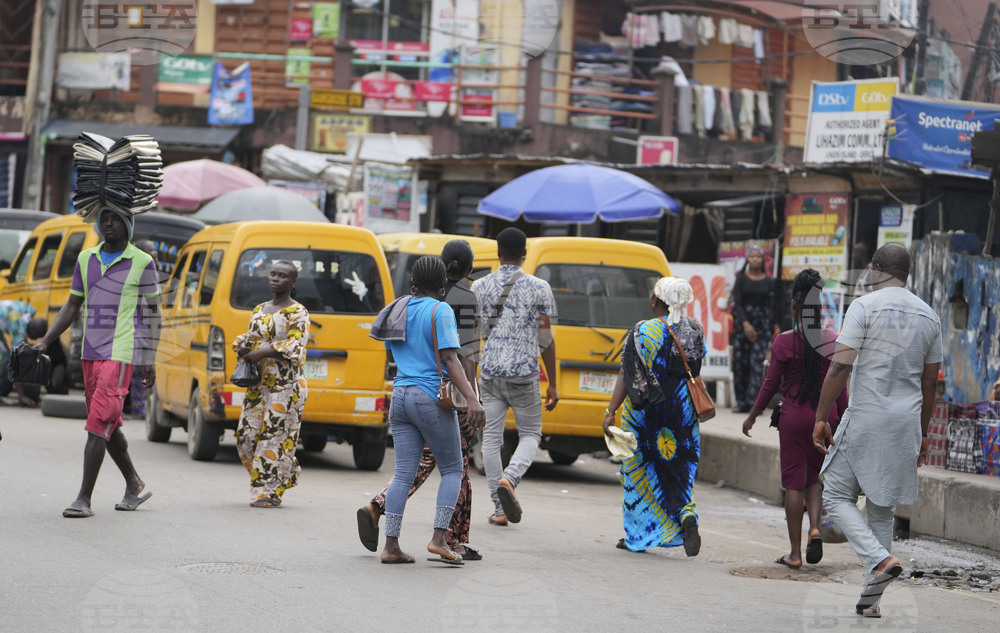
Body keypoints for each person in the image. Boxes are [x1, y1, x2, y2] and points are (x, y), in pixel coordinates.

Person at [812, 243, 941, 618]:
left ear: (877, 268)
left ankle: (880, 559)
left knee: (835, 495)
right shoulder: (930, 316)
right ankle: (871, 603)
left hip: (867, 418)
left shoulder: (864, 306)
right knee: (882, 509)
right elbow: (929, 385)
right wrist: (923, 434)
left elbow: (839, 368)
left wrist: (822, 417)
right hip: (905, 425)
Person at [358, 240, 484, 560]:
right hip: (429, 397)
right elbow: (451, 359)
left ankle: (391, 546)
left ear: (414, 280)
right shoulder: (440, 310)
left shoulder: (399, 306)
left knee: (402, 474)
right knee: (453, 468)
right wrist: (472, 398)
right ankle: (439, 539)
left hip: (399, 396)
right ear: (442, 284)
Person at [35, 208, 160, 518]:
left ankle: (83, 498)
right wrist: (45, 341)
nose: (108, 224)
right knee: (106, 423)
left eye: (115, 219)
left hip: (119, 354)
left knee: (98, 423)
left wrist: (150, 358)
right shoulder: (85, 258)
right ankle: (134, 484)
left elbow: (155, 314)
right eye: (104, 218)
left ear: (128, 225)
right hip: (90, 353)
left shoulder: (143, 262)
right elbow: (72, 305)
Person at [741, 269, 848, 569]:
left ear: (793, 307)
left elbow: (770, 384)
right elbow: (839, 386)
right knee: (815, 477)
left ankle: (795, 553)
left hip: (794, 418)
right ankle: (815, 527)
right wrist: (844, 419)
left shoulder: (784, 342)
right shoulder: (833, 341)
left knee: (793, 484)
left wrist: (752, 417)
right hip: (825, 419)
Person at [602, 277, 705, 555]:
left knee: (637, 472)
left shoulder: (641, 331)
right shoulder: (695, 329)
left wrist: (611, 412)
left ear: (654, 302)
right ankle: (686, 514)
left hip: (644, 412)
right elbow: (695, 369)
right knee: (679, 467)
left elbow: (626, 373)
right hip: (682, 412)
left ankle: (639, 536)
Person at [472, 227, 558, 526]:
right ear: (524, 254)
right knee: (531, 433)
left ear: (498, 253)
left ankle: (498, 508)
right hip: (524, 372)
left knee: (491, 441)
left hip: (490, 372)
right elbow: (545, 339)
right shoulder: (540, 288)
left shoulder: (479, 287)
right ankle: (510, 478)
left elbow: (471, 338)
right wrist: (554, 384)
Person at [232, 261, 309, 508]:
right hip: (259, 383)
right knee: (246, 435)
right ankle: (286, 470)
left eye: (283, 276)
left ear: (293, 282)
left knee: (274, 437)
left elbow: (297, 346)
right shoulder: (259, 309)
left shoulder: (299, 312)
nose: (276, 279)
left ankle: (266, 492)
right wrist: (244, 347)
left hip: (286, 385)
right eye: (273, 274)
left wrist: (263, 351)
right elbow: (250, 337)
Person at [731, 245, 782, 413]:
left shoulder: (770, 281)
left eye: (758, 256)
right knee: (740, 363)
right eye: (751, 256)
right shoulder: (741, 279)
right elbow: (737, 304)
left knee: (756, 364)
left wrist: (775, 328)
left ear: (762, 260)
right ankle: (741, 402)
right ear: (747, 259)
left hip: (762, 326)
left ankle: (754, 404)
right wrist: (745, 324)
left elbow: (774, 306)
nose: (754, 259)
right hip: (743, 325)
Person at [127, 240, 160, 419]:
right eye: (150, 252)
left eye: (155, 252)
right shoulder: (136, 275)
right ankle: (137, 409)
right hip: (137, 334)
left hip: (152, 333)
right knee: (136, 373)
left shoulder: (156, 275)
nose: (155, 254)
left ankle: (141, 409)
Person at [0, 300, 48, 407]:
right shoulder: (19, 331)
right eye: (35, 336)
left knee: (5, 354)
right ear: (30, 329)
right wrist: (21, 396)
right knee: (3, 358)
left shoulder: (30, 310)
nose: (34, 339)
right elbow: (15, 365)